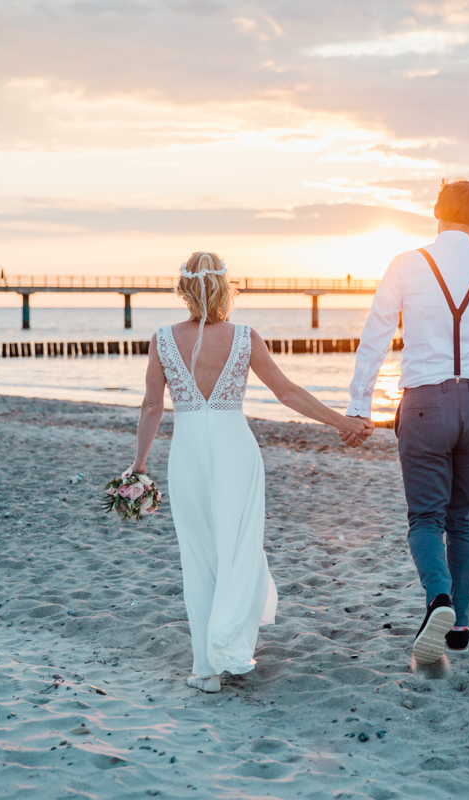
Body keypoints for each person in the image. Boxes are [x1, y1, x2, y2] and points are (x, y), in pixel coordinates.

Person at [129, 251, 371, 694]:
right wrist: (342, 423)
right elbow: (287, 392)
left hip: (186, 455)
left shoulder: (163, 339)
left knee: (199, 556)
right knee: (238, 549)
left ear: (184, 288)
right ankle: (230, 648)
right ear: (226, 287)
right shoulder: (245, 337)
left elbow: (151, 406)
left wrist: (139, 466)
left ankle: (206, 669)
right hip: (235, 450)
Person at [344, 179, 469, 665]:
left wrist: (359, 405)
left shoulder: (406, 264)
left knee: (426, 517)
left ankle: (438, 598)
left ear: (436, 212)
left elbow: (374, 336)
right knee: (463, 519)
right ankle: (458, 625)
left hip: (424, 404)